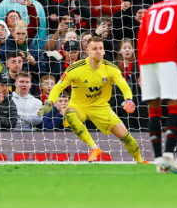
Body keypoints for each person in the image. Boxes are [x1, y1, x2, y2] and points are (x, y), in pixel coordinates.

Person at [37, 36, 146, 164]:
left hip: (101, 107)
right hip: (79, 106)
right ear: (87, 51)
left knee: (127, 138)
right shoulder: (75, 68)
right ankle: (94, 147)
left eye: (101, 48)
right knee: (69, 114)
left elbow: (124, 86)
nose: (98, 51)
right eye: (94, 49)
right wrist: (50, 102)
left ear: (104, 51)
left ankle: (140, 161)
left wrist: (129, 99)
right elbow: (58, 87)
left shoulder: (111, 68)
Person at [137, 0, 177, 174]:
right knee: (175, 105)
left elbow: (141, 39)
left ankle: (158, 160)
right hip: (168, 57)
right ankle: (169, 155)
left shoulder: (152, 8)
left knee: (153, 108)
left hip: (146, 58)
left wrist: (140, 70)